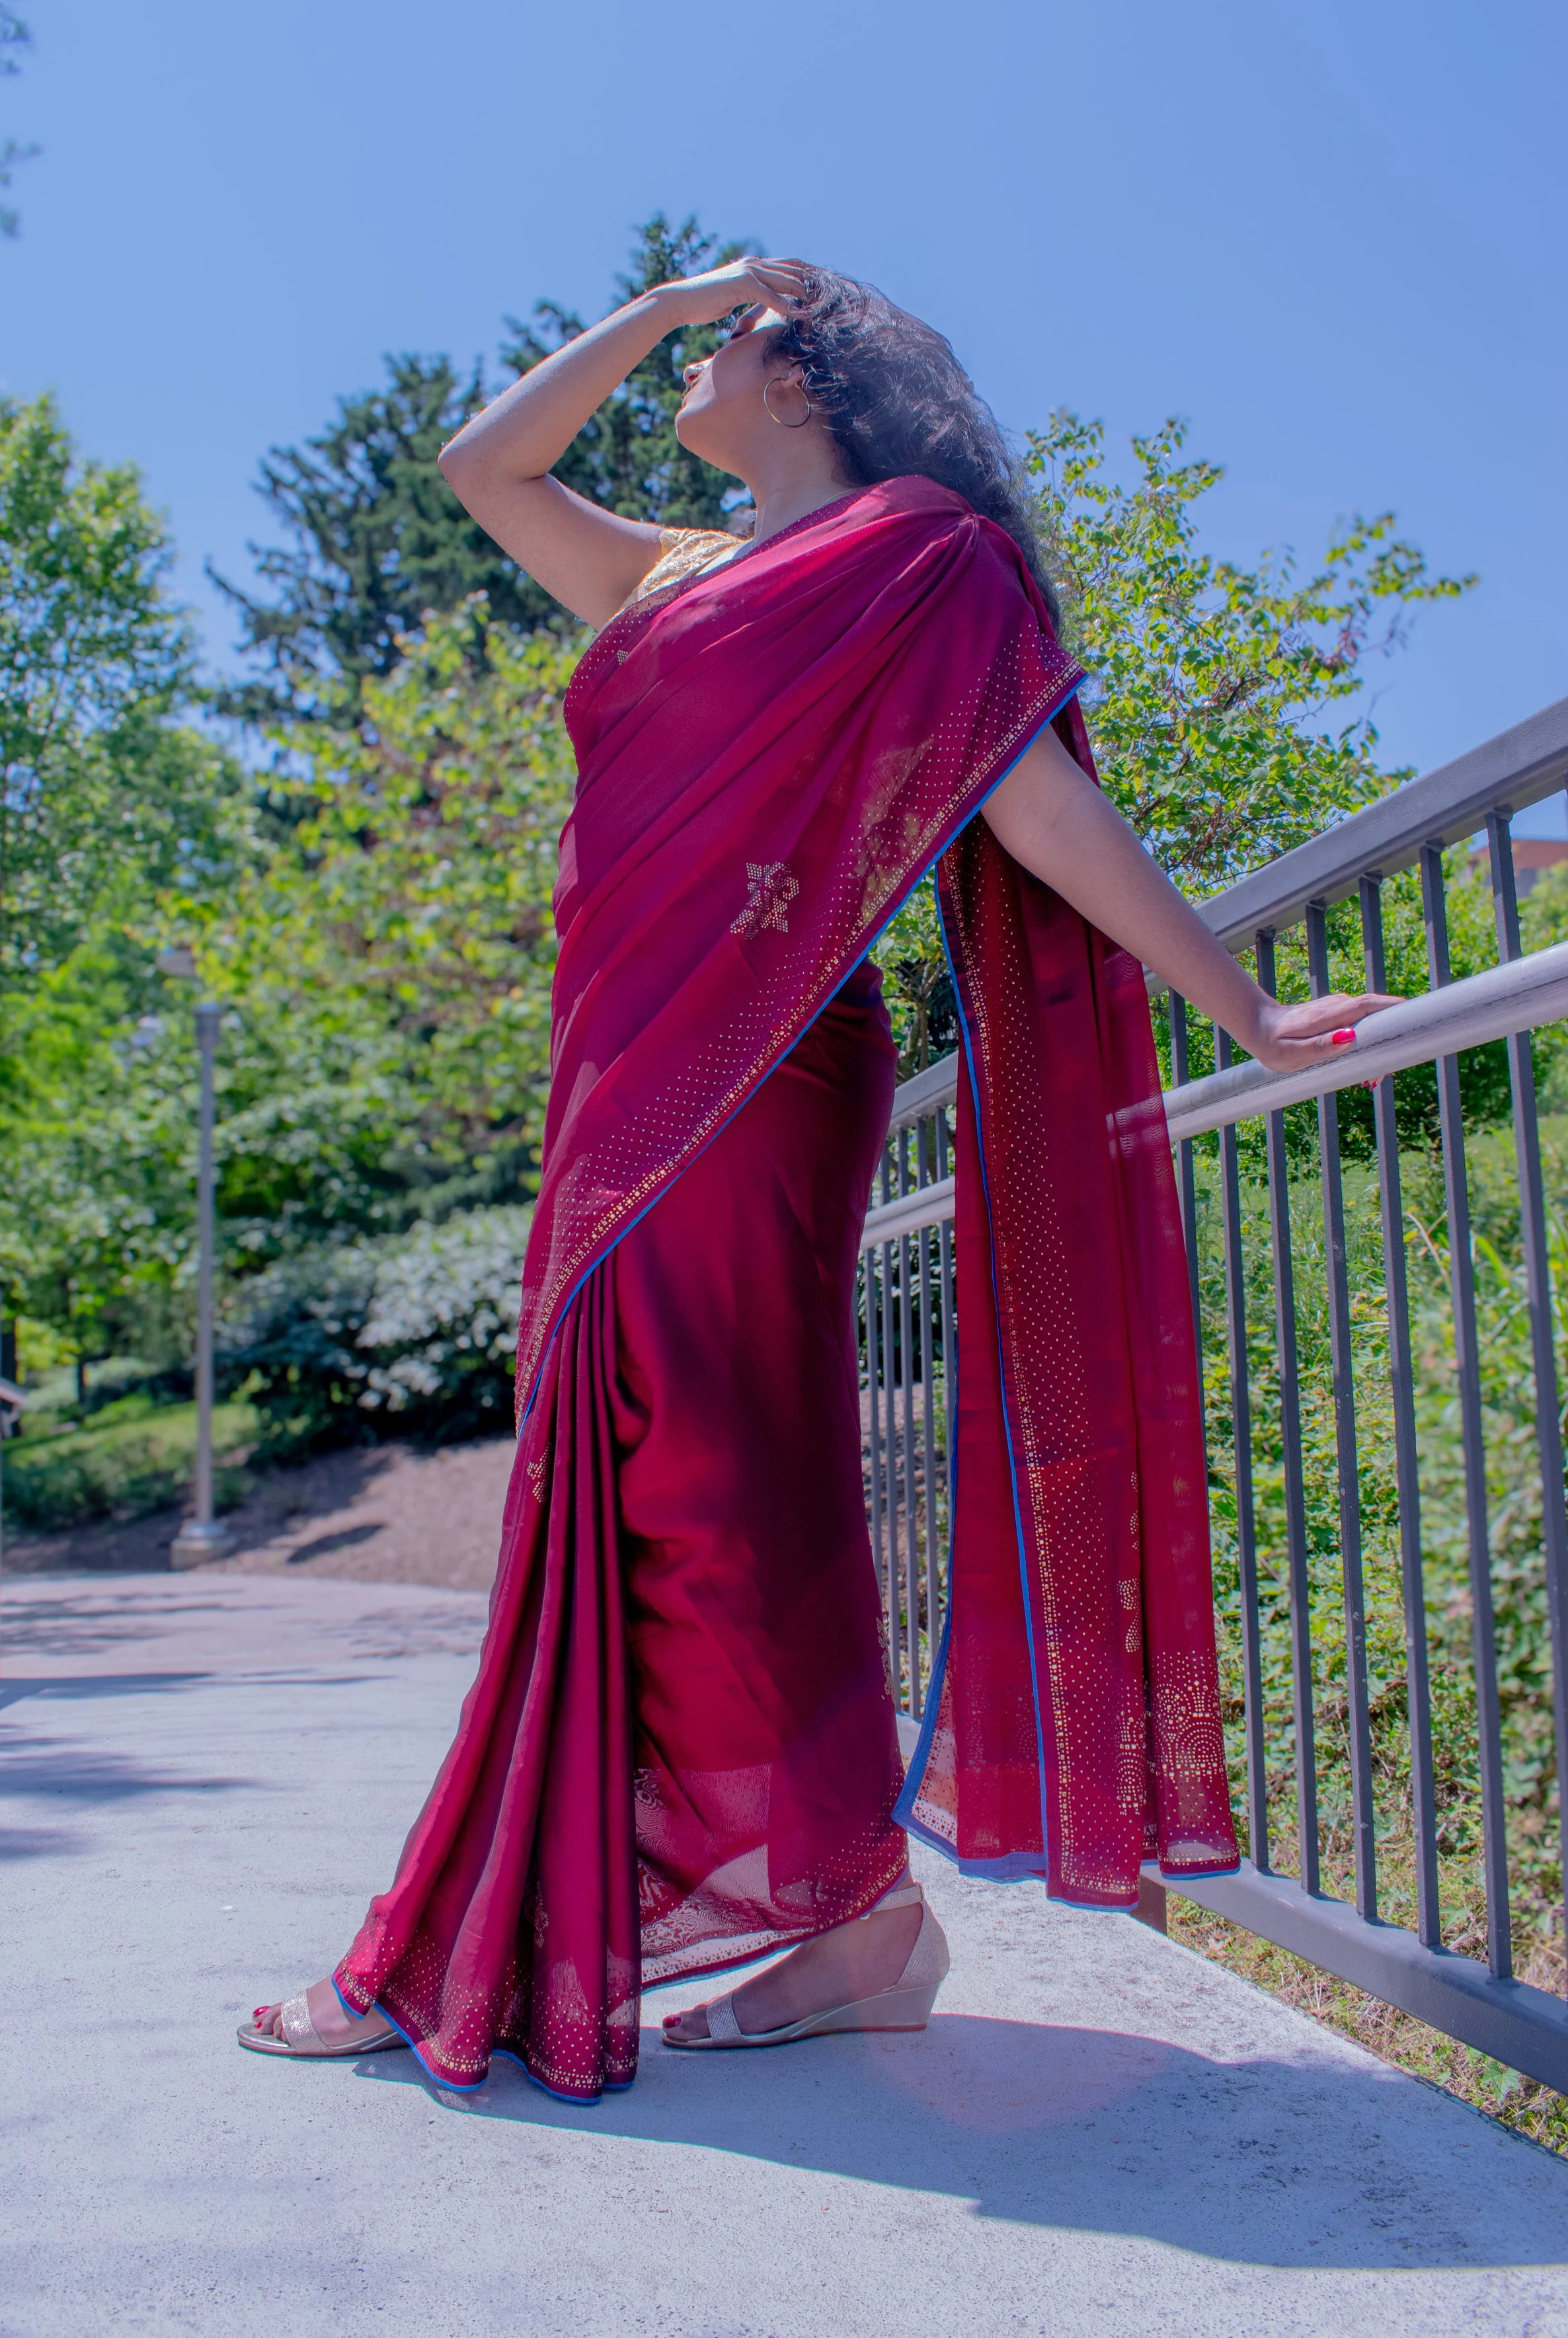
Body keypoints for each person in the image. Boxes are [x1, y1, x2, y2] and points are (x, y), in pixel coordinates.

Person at [240, 258, 1393, 2099]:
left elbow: (1032, 800)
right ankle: (851, 1922)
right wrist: (667, 296)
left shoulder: (917, 552)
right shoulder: (669, 571)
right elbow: (484, 466)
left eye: (726, 339)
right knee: (666, 1485)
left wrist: (1235, 1004)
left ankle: (596, 1918)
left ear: (809, 383)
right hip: (617, 1075)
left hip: (758, 1068)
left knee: (693, 1484)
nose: (696, 359)